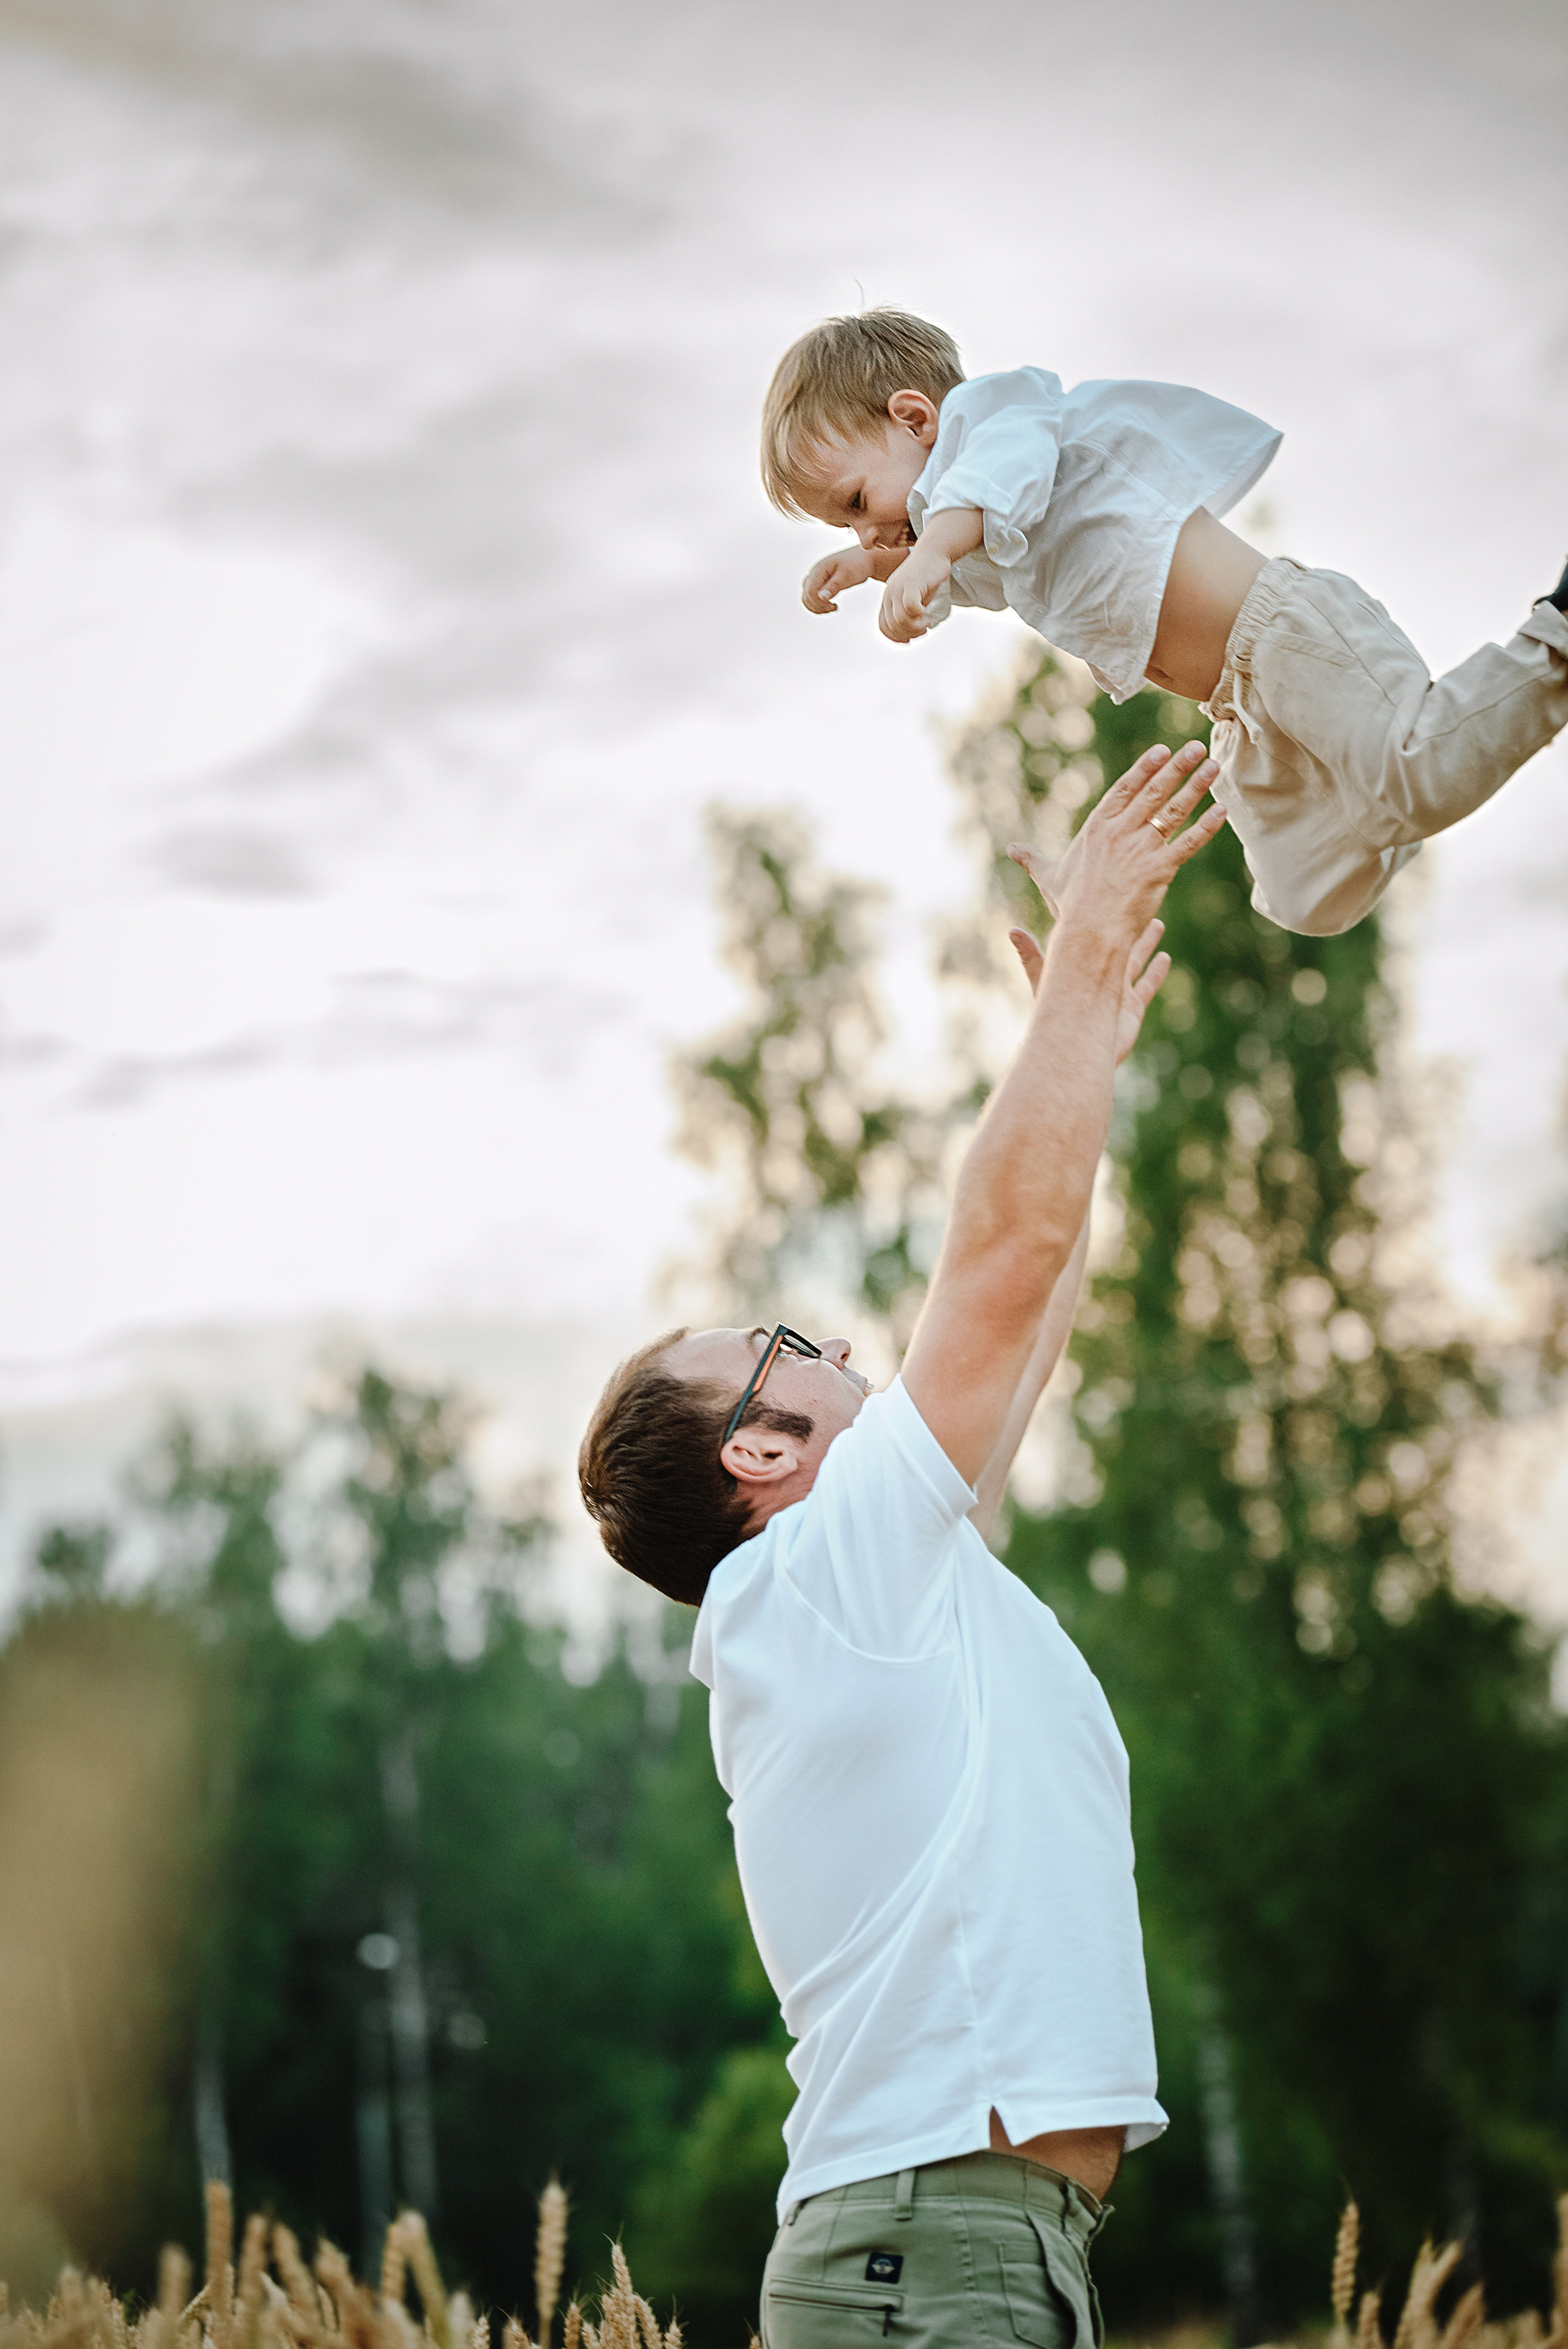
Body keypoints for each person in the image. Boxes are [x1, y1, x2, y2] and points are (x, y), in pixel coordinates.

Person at [579, 741, 1227, 2348]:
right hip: (927, 2245)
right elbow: (1001, 1258)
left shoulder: (880, 1590)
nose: (833, 1344)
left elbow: (1035, 1286)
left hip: (966, 2242)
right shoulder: (808, 1580)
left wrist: (1089, 1047)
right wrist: (1077, 965)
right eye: (783, 1339)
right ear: (762, 1449)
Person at [761, 307, 1568, 940]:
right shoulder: (978, 529)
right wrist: (877, 567)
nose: (864, 529)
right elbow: (974, 565)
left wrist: (928, 547)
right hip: (1241, 709)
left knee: (1416, 775)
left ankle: (1554, 636)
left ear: (915, 418)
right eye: (843, 526)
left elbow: (993, 480)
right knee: (1303, 894)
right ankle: (1405, 777)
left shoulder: (997, 418)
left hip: (1287, 633)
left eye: (858, 503)